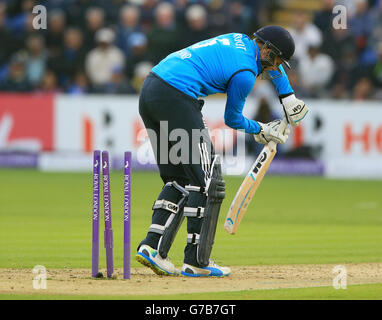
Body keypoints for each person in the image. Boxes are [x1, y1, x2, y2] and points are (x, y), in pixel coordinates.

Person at [136, 26, 308, 277]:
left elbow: (269, 62)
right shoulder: (245, 73)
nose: (275, 68)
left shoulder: (240, 39)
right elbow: (233, 118)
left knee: (179, 179)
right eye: (277, 61)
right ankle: (196, 260)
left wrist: (288, 96)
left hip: (151, 91)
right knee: (207, 181)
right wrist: (262, 129)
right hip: (177, 98)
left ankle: (152, 248)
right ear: (267, 51)